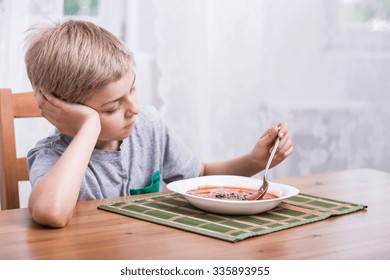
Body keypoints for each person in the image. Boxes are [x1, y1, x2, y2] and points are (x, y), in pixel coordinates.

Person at [24, 19, 293, 228]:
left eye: (132, 90)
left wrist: (255, 161)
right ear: (67, 112)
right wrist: (89, 126)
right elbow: (51, 212)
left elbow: (197, 176)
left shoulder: (148, 125)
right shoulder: (51, 156)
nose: (134, 109)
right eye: (112, 107)